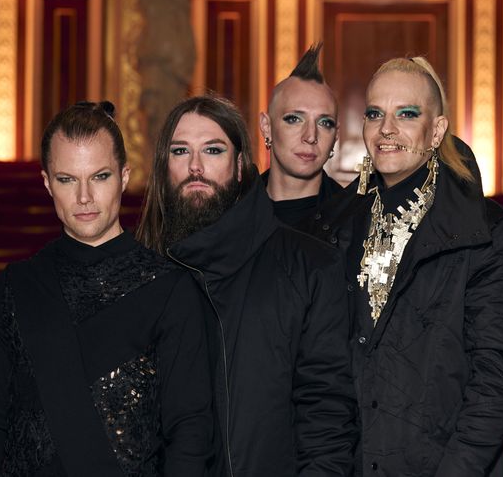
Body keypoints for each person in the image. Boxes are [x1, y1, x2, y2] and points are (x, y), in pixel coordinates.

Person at [0, 101, 217, 476]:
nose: (84, 197)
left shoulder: (170, 289)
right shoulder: (18, 284)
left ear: (124, 177)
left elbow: (190, 432)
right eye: (67, 179)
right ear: (48, 183)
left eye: (99, 177)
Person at [307, 57, 503, 476]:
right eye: (375, 114)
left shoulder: (487, 233)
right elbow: (323, 377)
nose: (386, 129)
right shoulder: (337, 226)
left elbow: (496, 383)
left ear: (437, 130)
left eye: (406, 114)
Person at [136, 94, 357, 477]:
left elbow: (327, 422)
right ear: (163, 168)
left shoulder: (310, 267)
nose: (195, 166)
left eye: (213, 150)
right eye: (180, 151)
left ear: (240, 166)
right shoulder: (142, 278)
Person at [258, 42, 343, 227]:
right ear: (266, 126)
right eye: (294, 119)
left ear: (336, 135)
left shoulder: (354, 220)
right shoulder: (230, 210)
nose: (311, 136)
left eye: (324, 123)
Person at [132, 0, 197, 146]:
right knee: (152, 112)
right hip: (153, 64)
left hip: (173, 66)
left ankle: (168, 157)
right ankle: (152, 156)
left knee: (172, 114)